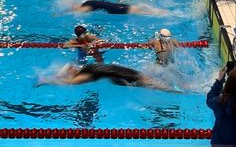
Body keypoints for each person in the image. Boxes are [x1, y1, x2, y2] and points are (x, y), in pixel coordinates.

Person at [38, 62, 180, 92]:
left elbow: (67, 82)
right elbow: (68, 66)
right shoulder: (85, 68)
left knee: (147, 84)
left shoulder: (83, 76)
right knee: (145, 79)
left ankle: (172, 89)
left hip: (115, 73)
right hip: (115, 68)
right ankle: (170, 86)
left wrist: (47, 81)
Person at [206, 67, 236, 146]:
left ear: (228, 83)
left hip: (218, 143)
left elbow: (210, 98)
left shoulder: (220, 102)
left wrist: (219, 81)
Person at [64, 0, 170, 16]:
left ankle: (160, 13)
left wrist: (65, 12)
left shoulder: (87, 6)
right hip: (117, 5)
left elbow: (79, 11)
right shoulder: (88, 2)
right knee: (141, 9)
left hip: (116, 9)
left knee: (144, 12)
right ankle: (160, 11)